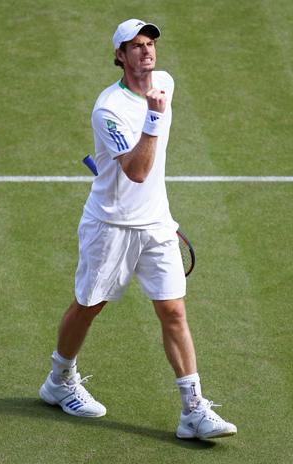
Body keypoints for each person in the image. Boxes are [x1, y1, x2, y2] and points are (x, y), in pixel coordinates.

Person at [39, 19, 237, 440]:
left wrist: (154, 108)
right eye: (136, 46)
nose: (147, 51)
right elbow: (137, 170)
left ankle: (193, 409)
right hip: (110, 226)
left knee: (174, 311)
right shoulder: (108, 108)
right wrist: (152, 116)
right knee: (88, 307)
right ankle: (59, 381)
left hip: (156, 225)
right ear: (119, 56)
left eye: (150, 44)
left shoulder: (165, 81)